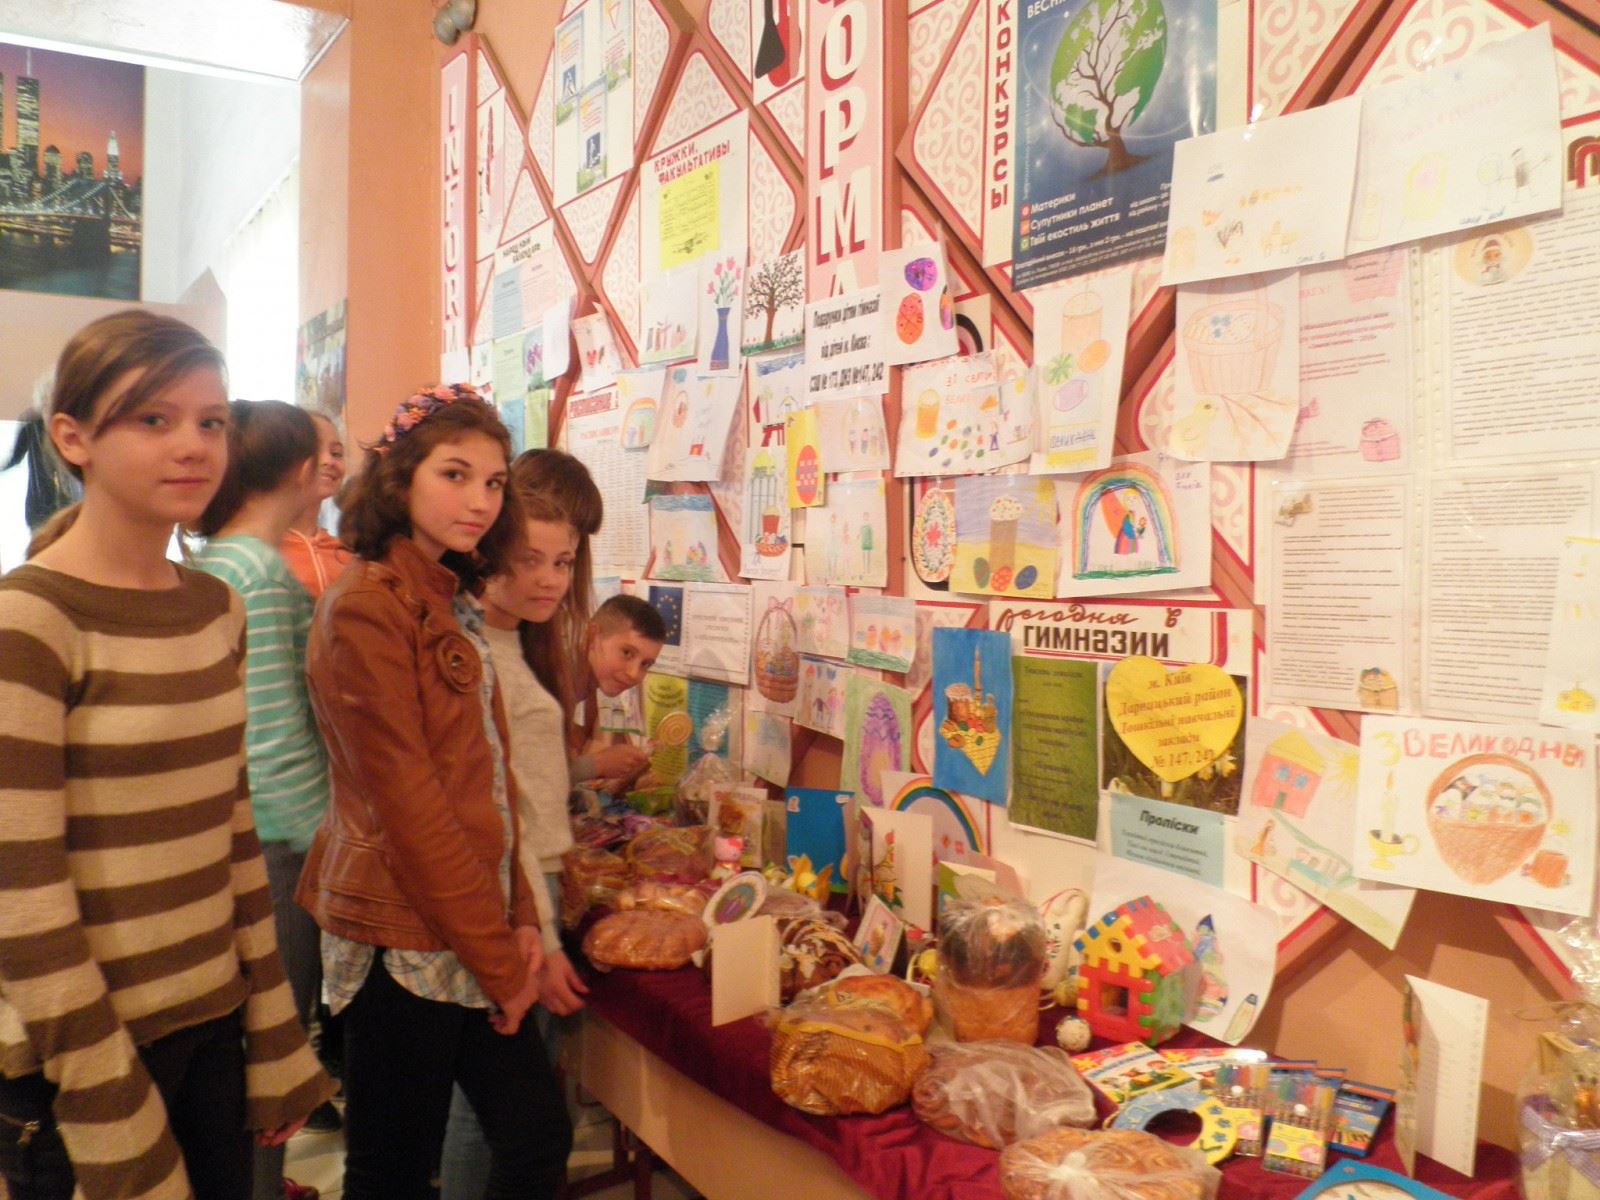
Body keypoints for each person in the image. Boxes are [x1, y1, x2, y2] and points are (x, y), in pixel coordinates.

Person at [0, 311, 332, 1200]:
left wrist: (274, 1034)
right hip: (82, 1057)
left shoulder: (215, 608)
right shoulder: (30, 619)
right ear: (73, 437)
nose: (193, 445)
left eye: (210, 421)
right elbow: (21, 897)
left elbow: (233, 833)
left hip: (211, 1027)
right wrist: (110, 1104)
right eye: (153, 418)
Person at [297, 384, 570, 1200]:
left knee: (535, 1136)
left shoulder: (445, 599)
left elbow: (492, 783)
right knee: (393, 1168)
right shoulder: (367, 606)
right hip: (401, 932)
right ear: (400, 479)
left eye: (494, 482)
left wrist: (523, 921)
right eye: (455, 475)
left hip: (470, 920)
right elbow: (411, 810)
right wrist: (504, 960)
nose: (480, 501)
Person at [437, 460, 646, 1200]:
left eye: (564, 561)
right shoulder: (474, 648)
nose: (550, 579)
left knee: (504, 1117)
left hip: (534, 893)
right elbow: (501, 811)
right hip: (510, 902)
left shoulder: (524, 643)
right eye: (531, 559)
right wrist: (543, 937)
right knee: (497, 1120)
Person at [188, 399, 343, 1199]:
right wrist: (324, 834)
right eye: (325, 452)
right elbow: (278, 734)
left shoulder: (223, 559)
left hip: (243, 835)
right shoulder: (260, 572)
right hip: (279, 841)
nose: (335, 464)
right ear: (298, 469)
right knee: (276, 1044)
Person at [575, 595, 667, 795]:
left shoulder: (590, 691)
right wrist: (598, 764)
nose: (634, 674)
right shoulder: (553, 680)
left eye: (645, 664)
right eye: (627, 653)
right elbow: (526, 772)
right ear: (592, 637)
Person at [279, 412, 352, 600]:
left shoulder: (346, 554)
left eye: (336, 453)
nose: (329, 461)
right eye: (313, 450)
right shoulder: (267, 550)